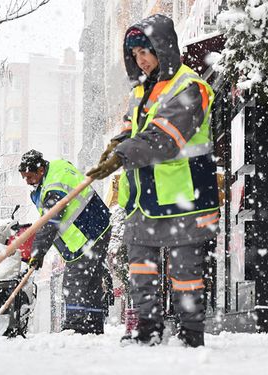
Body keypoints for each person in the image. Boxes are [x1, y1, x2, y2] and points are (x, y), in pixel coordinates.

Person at [86, 14, 220, 347]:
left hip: (184, 196)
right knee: (140, 268)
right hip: (143, 197)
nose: (141, 60)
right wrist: (118, 142)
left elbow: (165, 137)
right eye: (135, 55)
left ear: (164, 48)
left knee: (186, 273)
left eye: (145, 51)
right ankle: (147, 327)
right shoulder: (143, 92)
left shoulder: (191, 87)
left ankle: (191, 333)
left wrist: (124, 153)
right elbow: (137, 131)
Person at [19, 150, 112, 334]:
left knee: (75, 282)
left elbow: (50, 222)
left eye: (29, 176)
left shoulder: (54, 184)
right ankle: (93, 327)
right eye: (24, 178)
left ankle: (75, 328)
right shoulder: (55, 171)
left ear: (40, 169)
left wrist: (37, 254)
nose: (27, 181)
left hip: (88, 233)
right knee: (91, 282)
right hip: (98, 228)